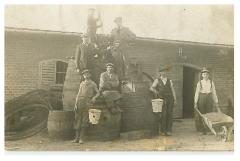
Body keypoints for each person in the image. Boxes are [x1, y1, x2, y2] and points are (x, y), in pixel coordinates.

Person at [72, 69, 100, 144]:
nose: (86, 75)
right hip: (80, 101)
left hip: (88, 102)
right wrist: (75, 103)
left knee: (85, 120)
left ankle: (82, 138)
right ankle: (76, 138)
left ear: (90, 75)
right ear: (83, 76)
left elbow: (98, 92)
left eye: (87, 74)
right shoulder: (82, 83)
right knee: (78, 119)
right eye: (84, 74)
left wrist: (94, 97)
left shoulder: (93, 83)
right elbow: (78, 93)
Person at [150, 65, 177, 136]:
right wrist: (157, 92)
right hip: (161, 100)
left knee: (169, 114)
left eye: (165, 71)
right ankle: (162, 130)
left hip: (170, 99)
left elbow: (172, 90)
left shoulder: (169, 80)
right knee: (163, 115)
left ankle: (169, 130)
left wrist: (175, 99)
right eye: (162, 71)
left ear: (166, 72)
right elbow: (151, 88)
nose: (164, 73)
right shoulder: (157, 80)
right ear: (160, 73)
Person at [194, 67, 220, 134]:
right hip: (202, 98)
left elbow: (214, 92)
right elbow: (197, 93)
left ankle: (208, 128)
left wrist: (216, 101)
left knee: (209, 113)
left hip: (209, 98)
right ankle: (202, 129)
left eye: (207, 74)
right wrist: (195, 102)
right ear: (202, 75)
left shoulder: (211, 82)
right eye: (204, 74)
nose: (206, 75)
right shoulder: (199, 83)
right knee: (202, 114)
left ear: (209, 75)